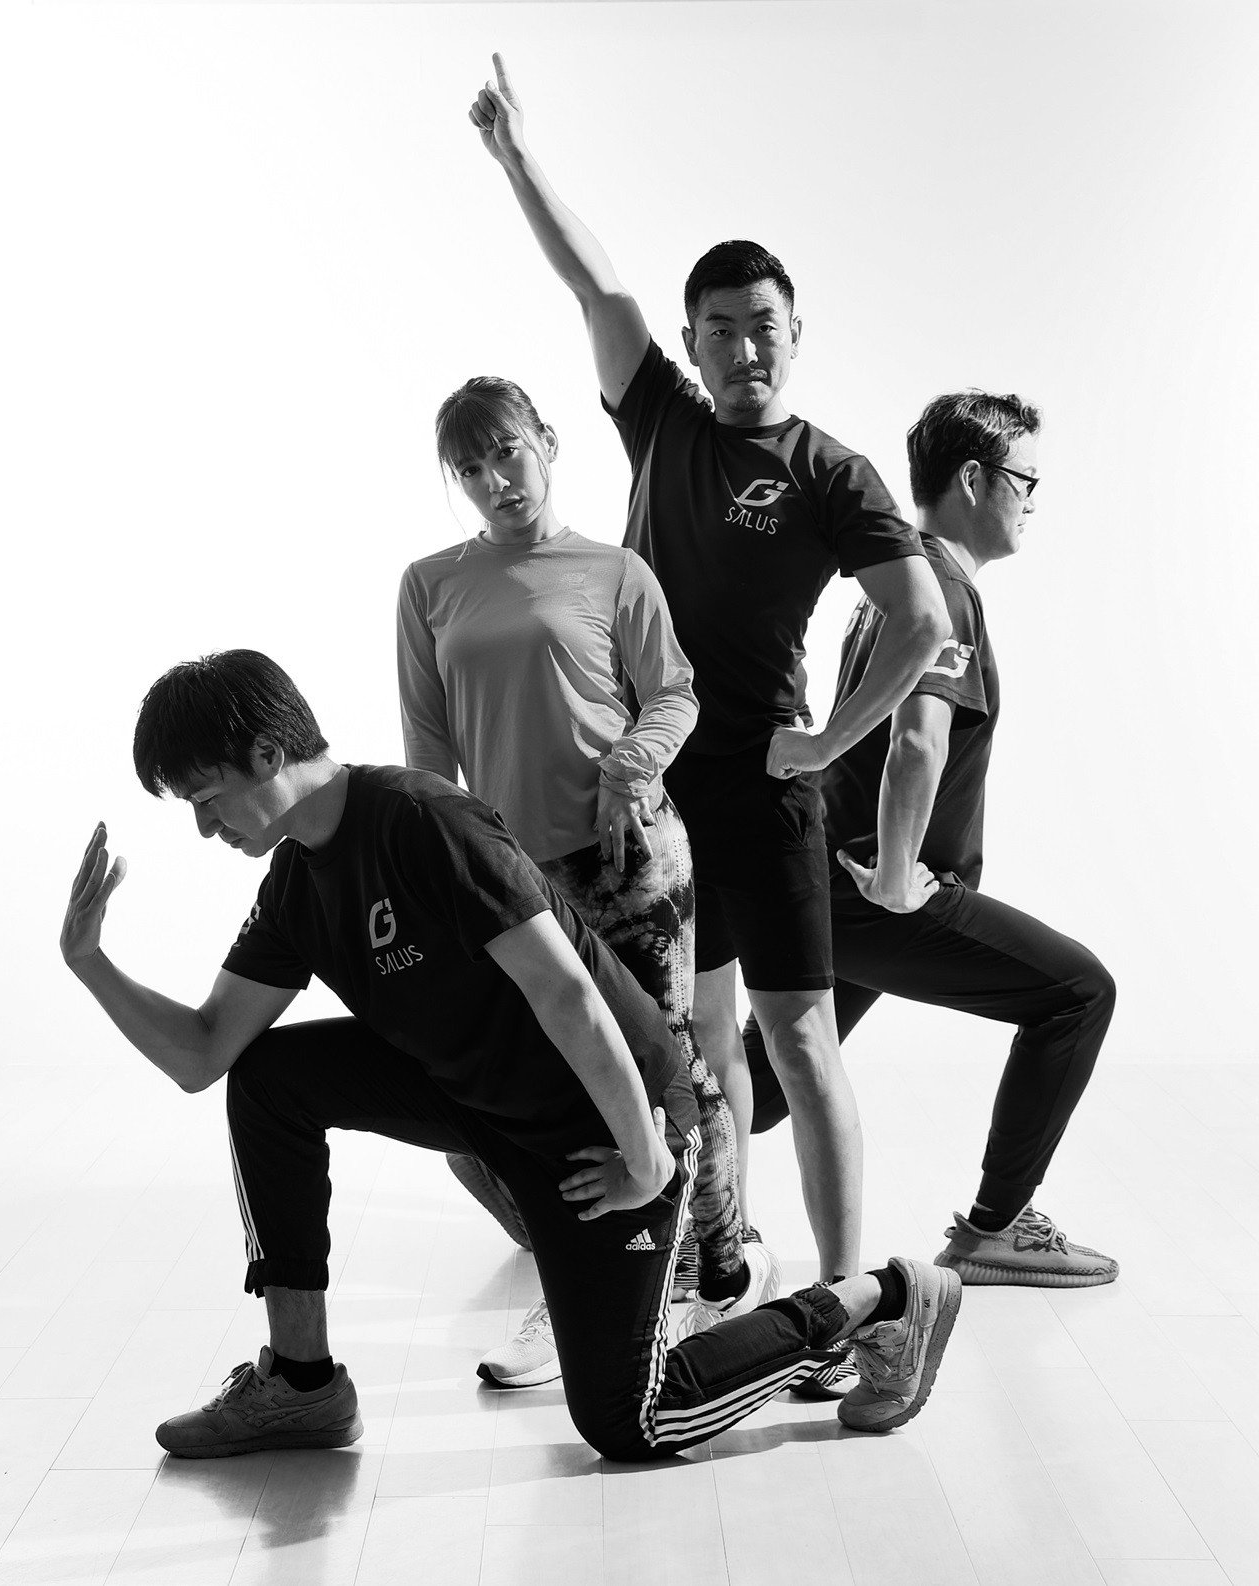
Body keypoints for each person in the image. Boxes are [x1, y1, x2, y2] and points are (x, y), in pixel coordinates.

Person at [60, 648, 961, 1461]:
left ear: (266, 753)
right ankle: (302, 1385)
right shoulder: (296, 881)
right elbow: (205, 1053)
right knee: (269, 1079)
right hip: (486, 1104)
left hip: (608, 1122)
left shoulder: (423, 820)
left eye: (206, 798)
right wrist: (90, 962)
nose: (205, 828)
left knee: (631, 1421)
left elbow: (566, 993)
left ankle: (881, 1300)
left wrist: (645, 1154)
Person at [466, 54, 951, 1393]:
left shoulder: (832, 470)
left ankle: (848, 1303)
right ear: (692, 346)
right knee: (697, 1046)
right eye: (721, 328)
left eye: (764, 323)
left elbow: (918, 621)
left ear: (797, 331)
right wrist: (517, 158)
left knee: (797, 1037)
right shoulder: (666, 425)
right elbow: (596, 285)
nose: (746, 347)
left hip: (763, 788)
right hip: (654, 798)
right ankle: (710, 1261)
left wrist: (829, 741)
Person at [398, 377, 774, 1388]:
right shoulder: (428, 586)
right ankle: (594, 1284)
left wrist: (629, 768)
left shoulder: (613, 571)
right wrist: (447, 864)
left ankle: (717, 1268)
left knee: (666, 1066)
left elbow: (675, 691)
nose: (495, 480)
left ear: (547, 442)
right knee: (544, 1089)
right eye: (470, 468)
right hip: (513, 879)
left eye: (507, 452)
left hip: (629, 856)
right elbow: (428, 750)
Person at [744, 392, 1118, 1290]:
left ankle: (568, 1157)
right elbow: (917, 742)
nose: (1034, 500)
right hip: (875, 891)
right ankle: (996, 1228)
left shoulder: (895, 584)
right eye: (1026, 480)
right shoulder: (942, 592)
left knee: (756, 1089)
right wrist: (896, 878)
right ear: (974, 479)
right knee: (1077, 994)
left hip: (827, 879)